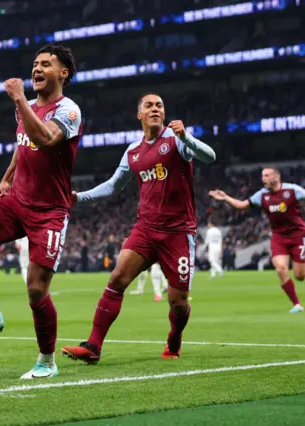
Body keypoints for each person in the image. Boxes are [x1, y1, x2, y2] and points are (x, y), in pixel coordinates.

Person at [61, 92, 216, 364]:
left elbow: (210, 156)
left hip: (178, 233)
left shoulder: (176, 141)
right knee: (117, 278)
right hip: (145, 230)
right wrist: (79, 197)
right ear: (140, 114)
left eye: (160, 105)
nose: (155, 109)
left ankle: (175, 338)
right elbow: (112, 186)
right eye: (149, 105)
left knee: (178, 301)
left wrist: (186, 137)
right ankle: (93, 346)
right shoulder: (133, 151)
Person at [0, 44, 81, 379]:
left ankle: (46, 361)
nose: (37, 69)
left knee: (36, 289)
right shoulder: (27, 108)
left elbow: (44, 138)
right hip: (17, 200)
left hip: (49, 212)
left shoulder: (69, 111)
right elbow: (23, 146)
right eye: (35, 64)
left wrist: (16, 99)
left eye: (46, 64)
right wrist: (5, 179)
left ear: (63, 73)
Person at [209, 168, 305, 313]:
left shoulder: (292, 190)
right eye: (262, 176)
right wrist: (226, 198)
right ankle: (297, 304)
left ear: (276, 177)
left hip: (297, 235)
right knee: (280, 268)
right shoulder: (262, 194)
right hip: (279, 237)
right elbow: (242, 206)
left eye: (266, 176)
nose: (263, 179)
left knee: (300, 276)